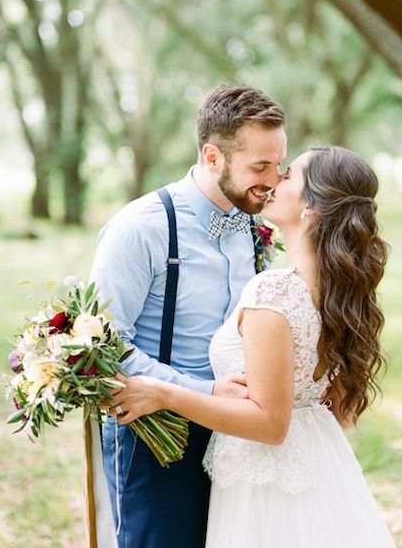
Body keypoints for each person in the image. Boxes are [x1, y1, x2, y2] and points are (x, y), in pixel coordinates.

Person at [108, 145, 397, 548]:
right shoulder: (337, 291)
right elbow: (336, 402)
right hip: (318, 460)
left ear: (312, 208)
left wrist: (163, 393)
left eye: (290, 174)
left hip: (266, 482)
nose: (275, 180)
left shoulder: (274, 292)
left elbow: (269, 424)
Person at [89, 84, 287, 548]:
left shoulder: (254, 226)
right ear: (212, 156)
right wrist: (204, 391)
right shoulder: (141, 228)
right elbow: (101, 346)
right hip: (157, 436)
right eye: (260, 166)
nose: (274, 180)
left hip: (240, 438)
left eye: (280, 164)